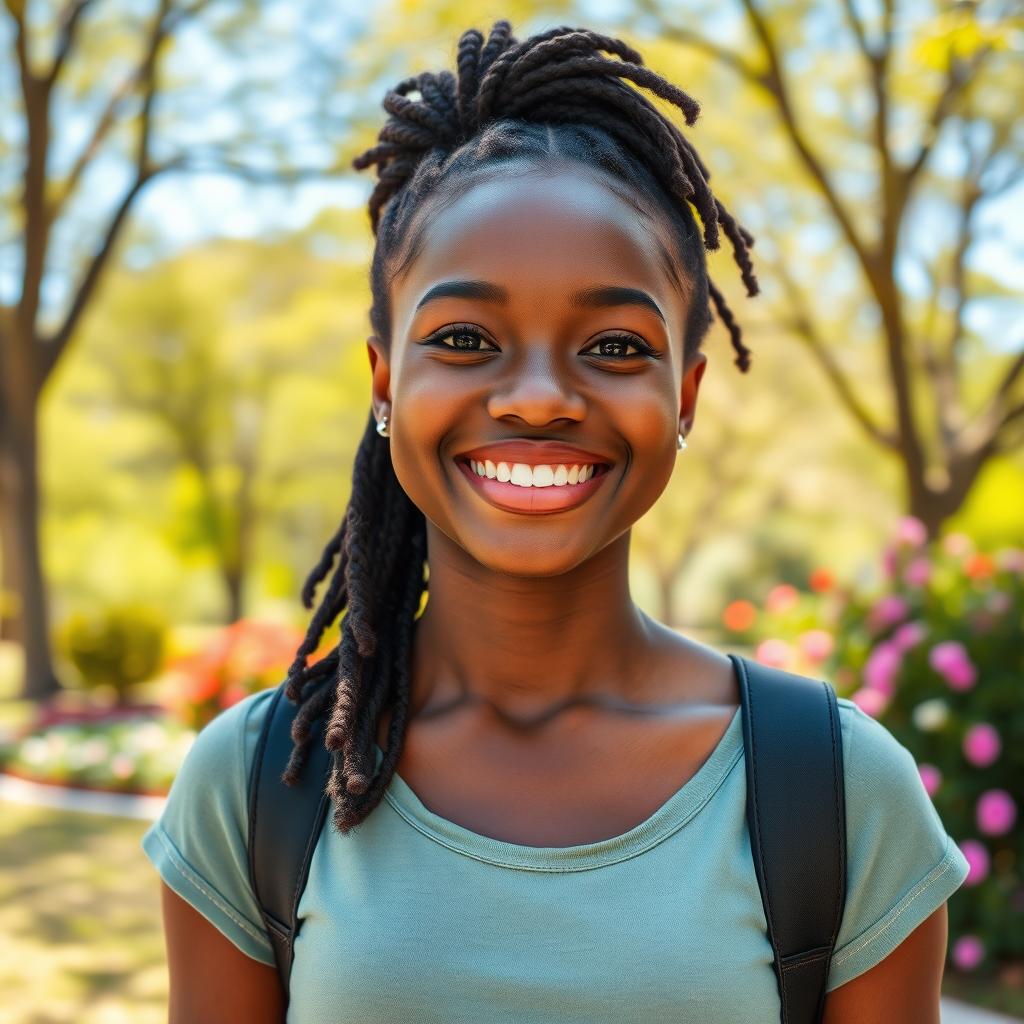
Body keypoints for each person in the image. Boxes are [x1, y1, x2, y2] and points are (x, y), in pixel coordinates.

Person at [141, 20, 970, 1023]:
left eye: (615, 346)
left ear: (685, 397)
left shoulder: (833, 792)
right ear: (384, 381)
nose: (537, 398)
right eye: (462, 337)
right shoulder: (259, 782)